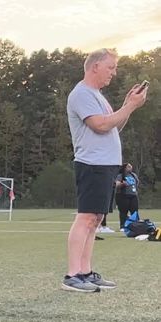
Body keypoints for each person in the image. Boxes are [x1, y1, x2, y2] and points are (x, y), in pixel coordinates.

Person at [62, 49, 148, 293]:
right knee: (87, 217)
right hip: (92, 164)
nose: (114, 72)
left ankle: (85, 272)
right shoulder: (81, 94)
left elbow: (113, 126)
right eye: (111, 67)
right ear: (95, 67)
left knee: (96, 219)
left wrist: (127, 106)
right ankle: (72, 275)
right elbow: (100, 125)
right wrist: (129, 106)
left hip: (105, 164)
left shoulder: (97, 96)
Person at [114, 162, 141, 230]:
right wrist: (122, 184)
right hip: (123, 196)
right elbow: (117, 184)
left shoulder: (133, 175)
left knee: (134, 211)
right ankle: (123, 226)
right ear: (125, 168)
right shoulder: (120, 175)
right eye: (128, 166)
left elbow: (137, 182)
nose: (130, 167)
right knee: (123, 212)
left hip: (133, 195)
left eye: (131, 166)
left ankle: (136, 225)